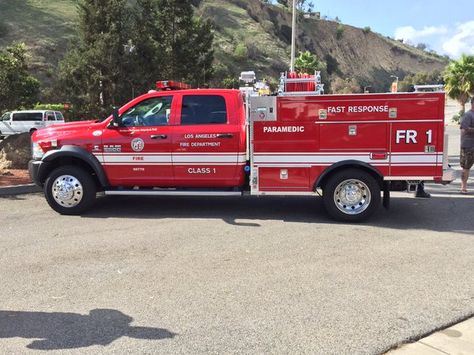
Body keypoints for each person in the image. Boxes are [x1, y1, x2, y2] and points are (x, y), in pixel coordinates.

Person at [460, 97, 474, 194]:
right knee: (466, 167)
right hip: (468, 146)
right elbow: (464, 128)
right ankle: (463, 187)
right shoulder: (468, 115)